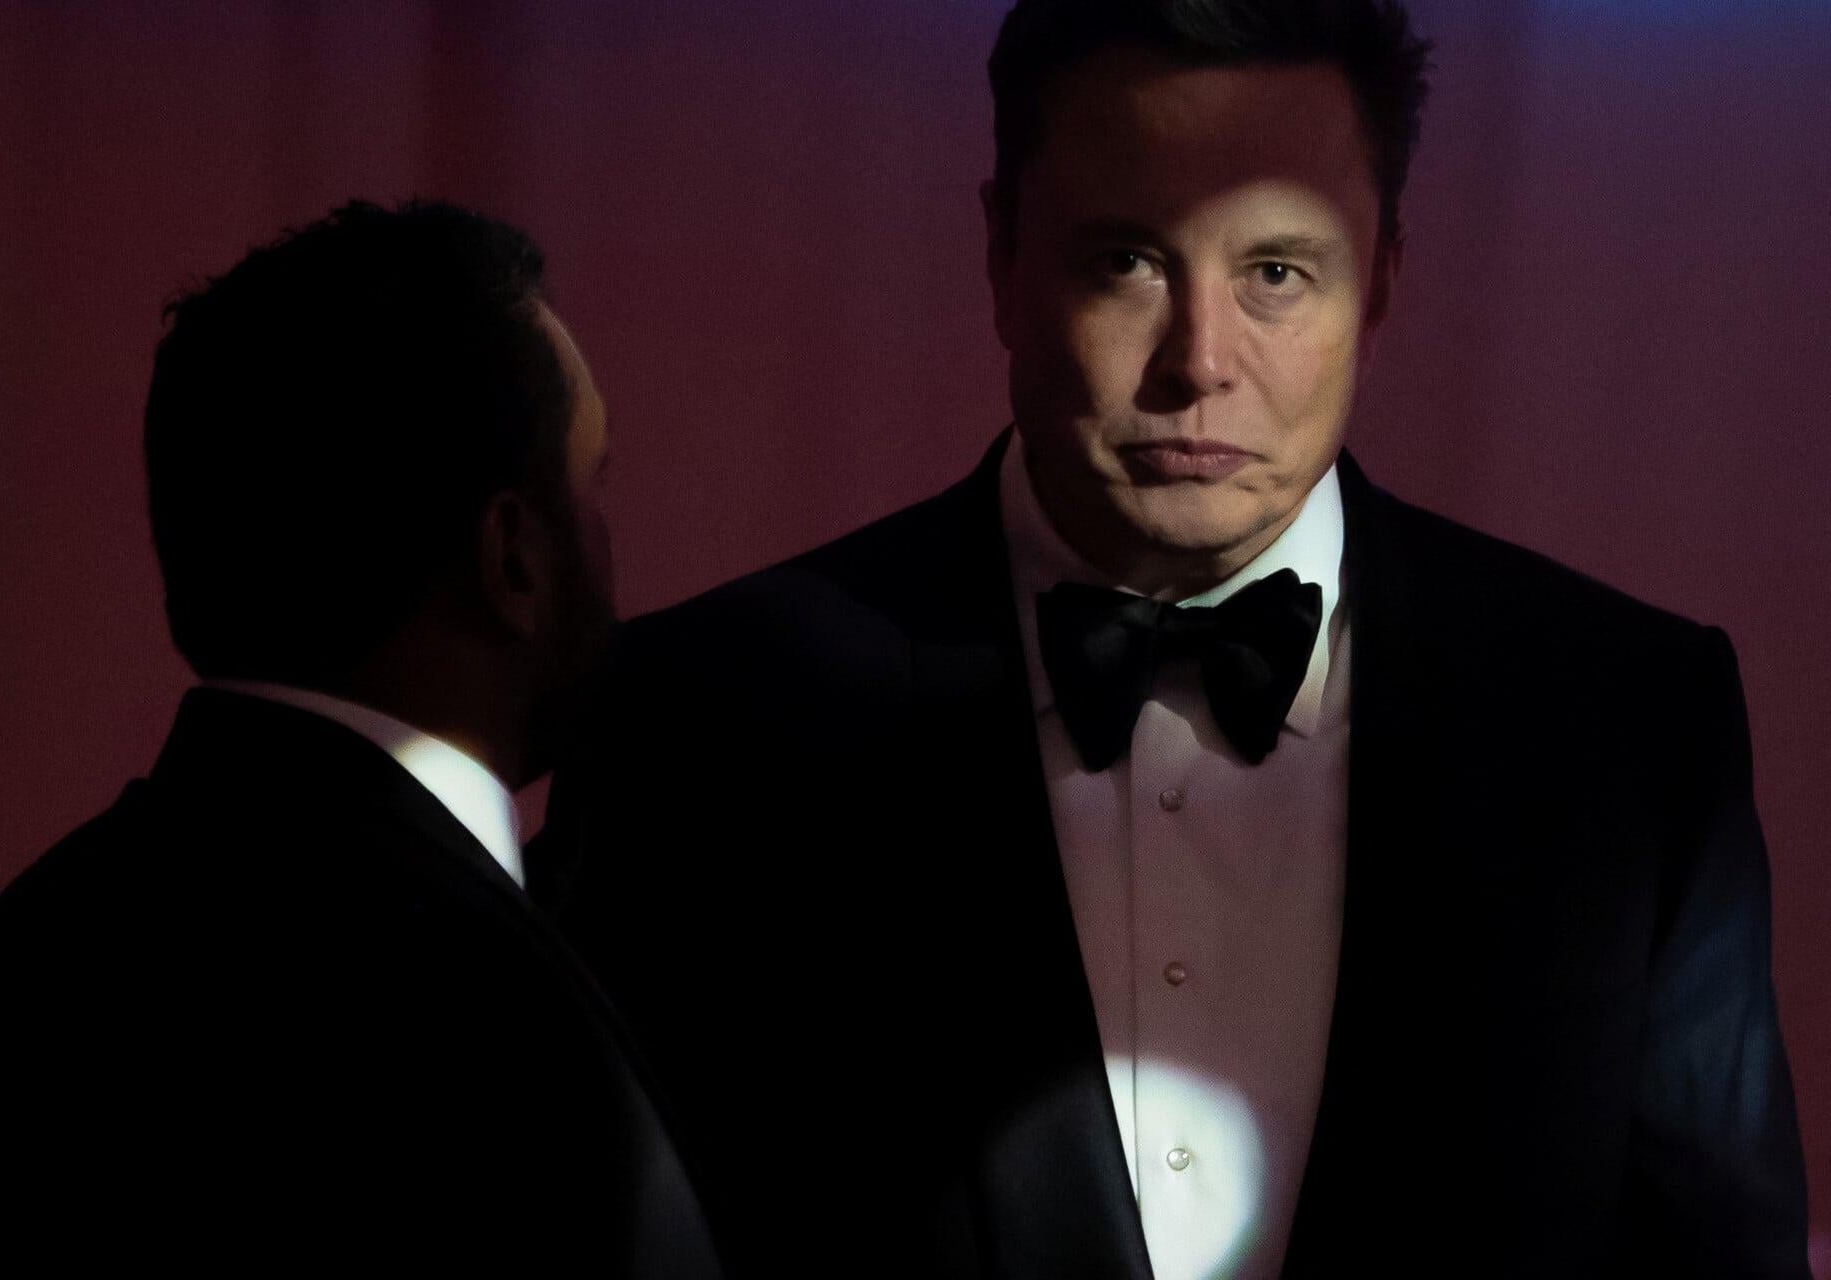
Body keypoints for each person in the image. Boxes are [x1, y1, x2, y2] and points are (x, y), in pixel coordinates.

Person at [535, 3, 1809, 1277]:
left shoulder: (1631, 731)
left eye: (1276, 273)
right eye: (1127, 261)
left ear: (1384, 276)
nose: (1198, 361)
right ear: (1001, 253)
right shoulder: (701, 719)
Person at [0, 200, 722, 1273]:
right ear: (515, 557)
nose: (609, 543)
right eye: (592, 485)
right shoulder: (493, 1023)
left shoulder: (25, 953)